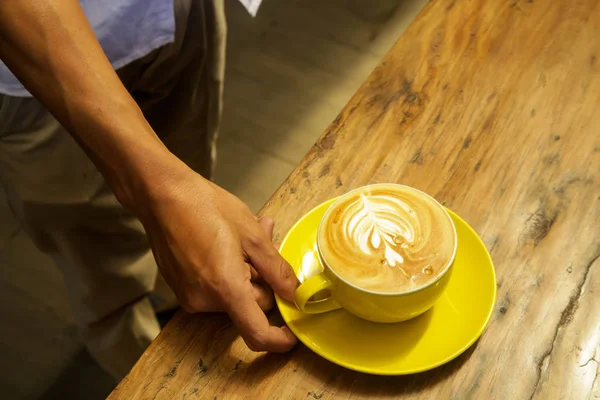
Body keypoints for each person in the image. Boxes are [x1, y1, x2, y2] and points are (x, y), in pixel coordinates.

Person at [0, 0, 298, 380]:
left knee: (198, 216)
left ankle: (178, 304)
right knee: (108, 277)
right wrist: (162, 189)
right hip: (33, 68)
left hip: (179, 16)